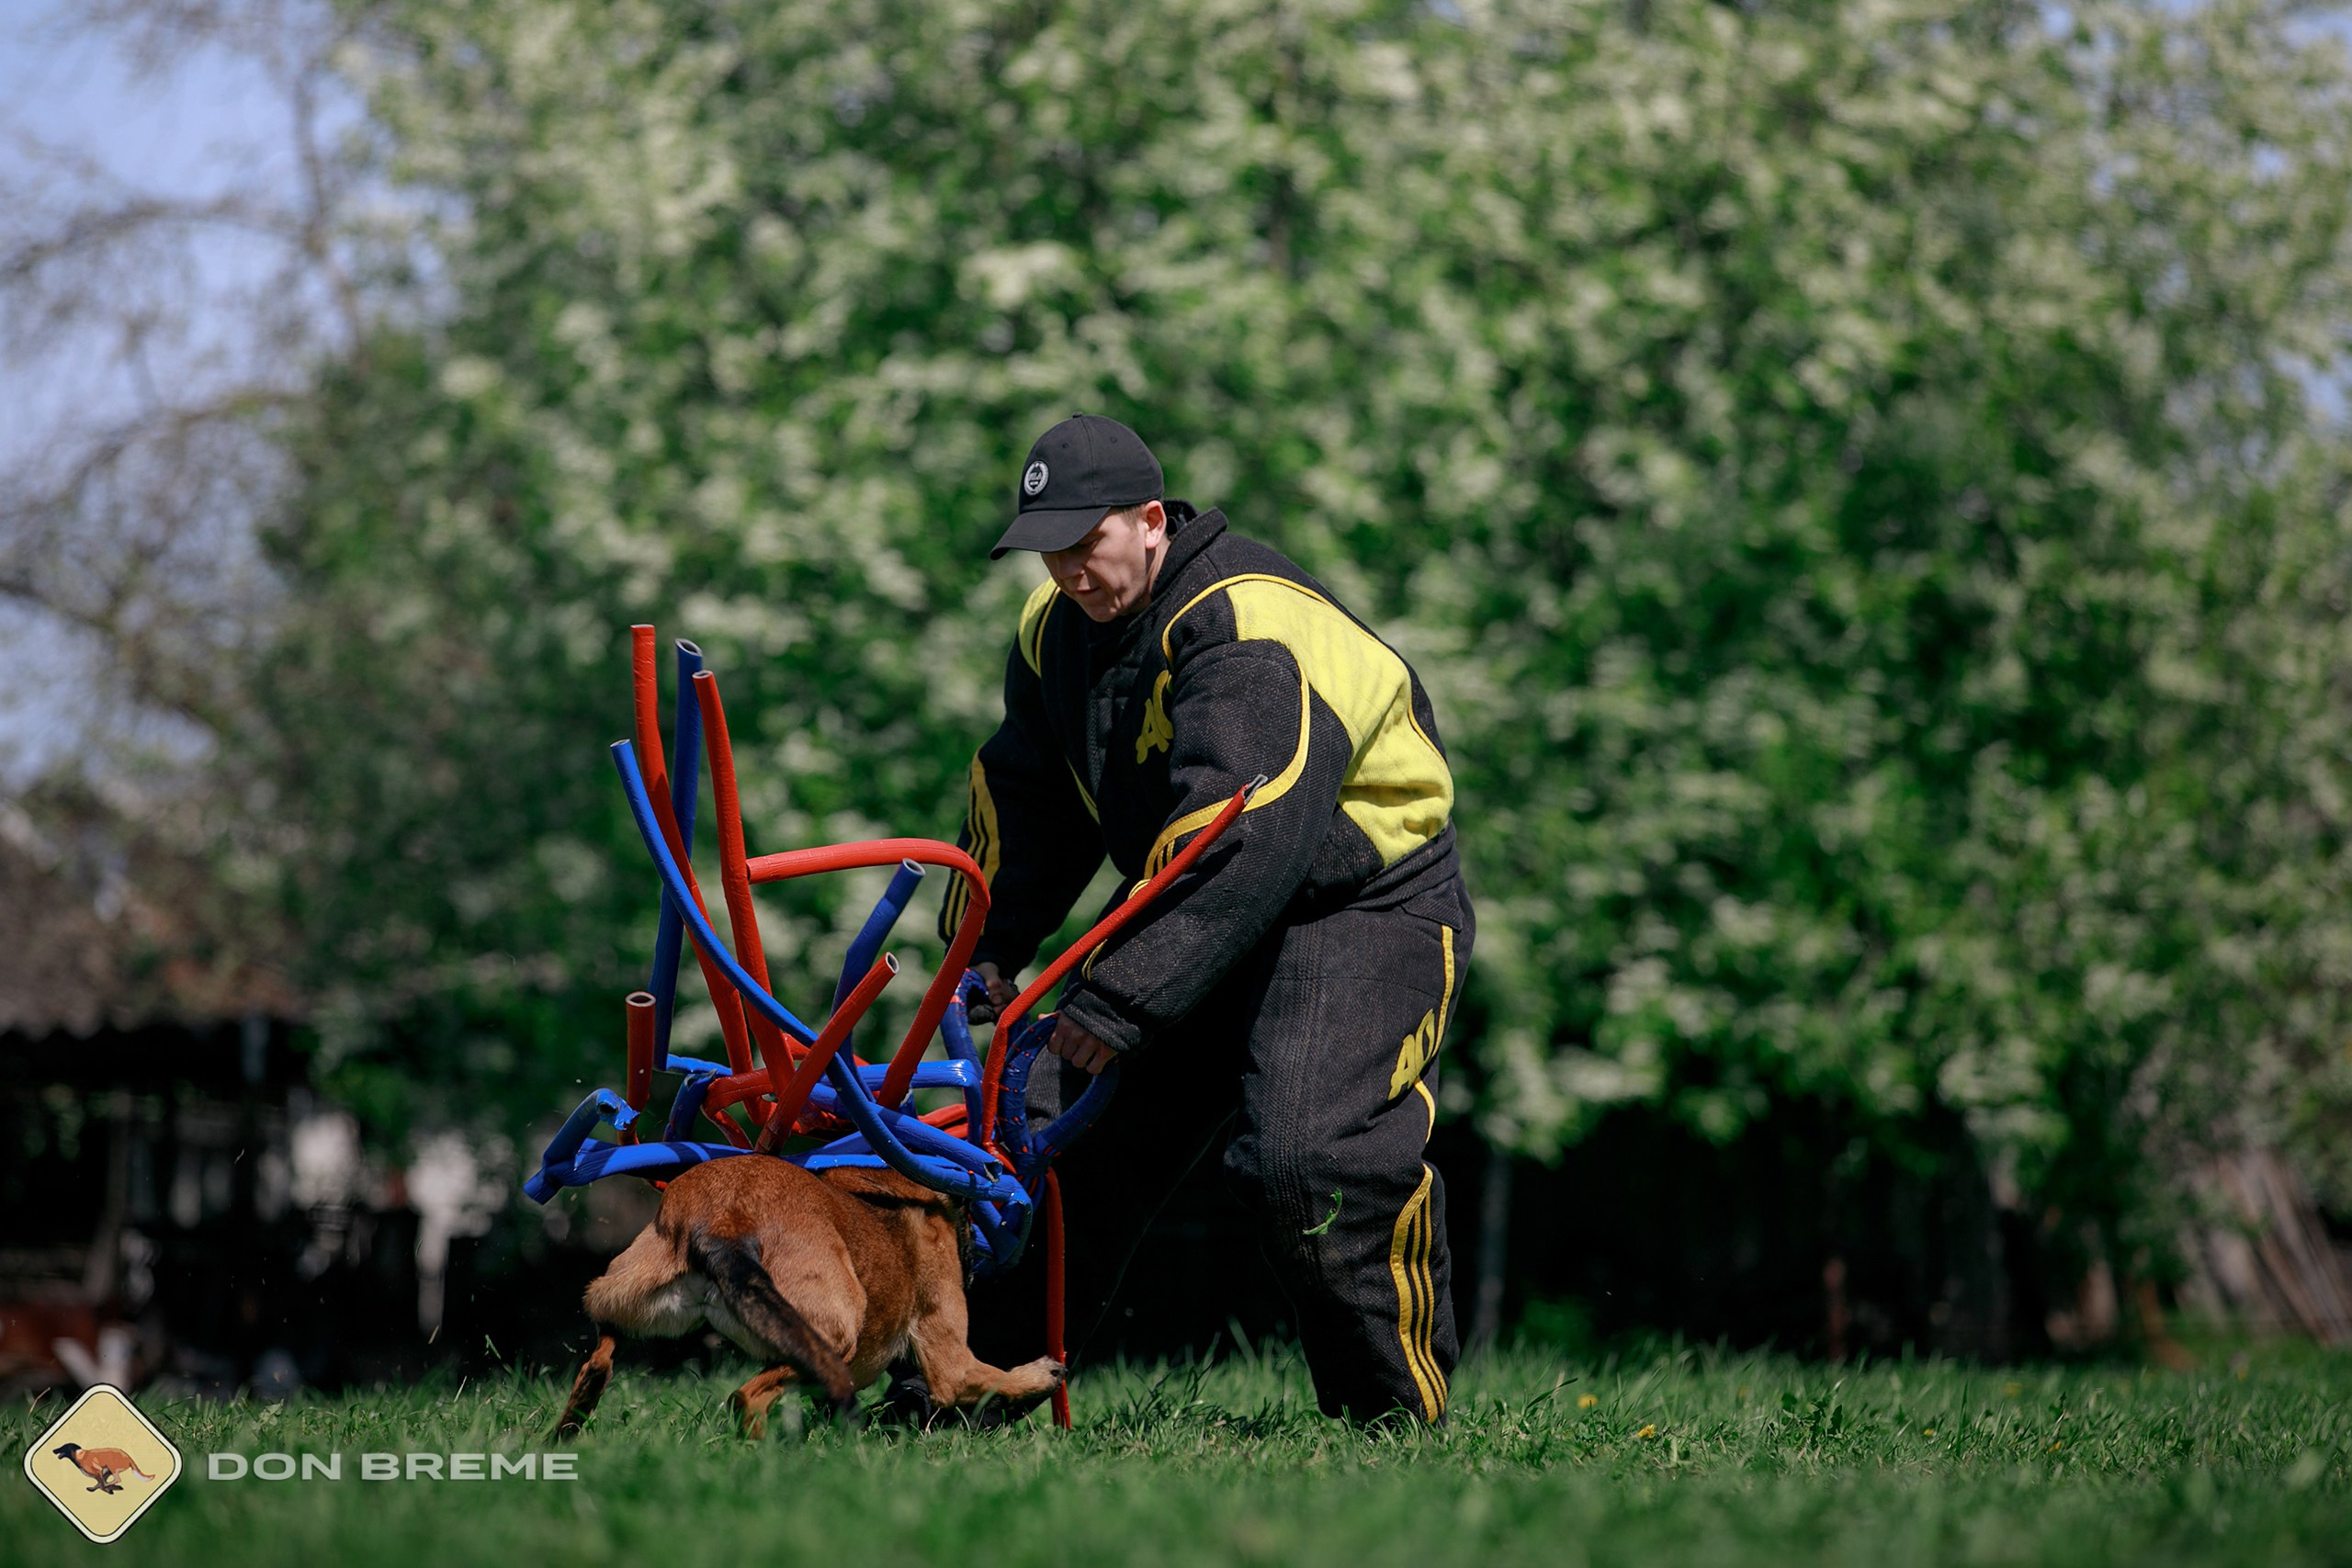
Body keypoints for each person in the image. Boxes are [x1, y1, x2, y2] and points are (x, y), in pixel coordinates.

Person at [944, 412, 1473, 1423]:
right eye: (1047, 551)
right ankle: (962, 1401)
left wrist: (1118, 1004)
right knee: (1042, 1138)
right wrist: (987, 948)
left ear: (1150, 521)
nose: (1066, 572)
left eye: (1083, 544)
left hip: (1358, 899)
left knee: (1306, 1163)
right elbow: (1028, 795)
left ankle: (1395, 1421)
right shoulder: (1054, 632)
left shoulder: (1249, 621)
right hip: (1190, 906)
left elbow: (1242, 832)